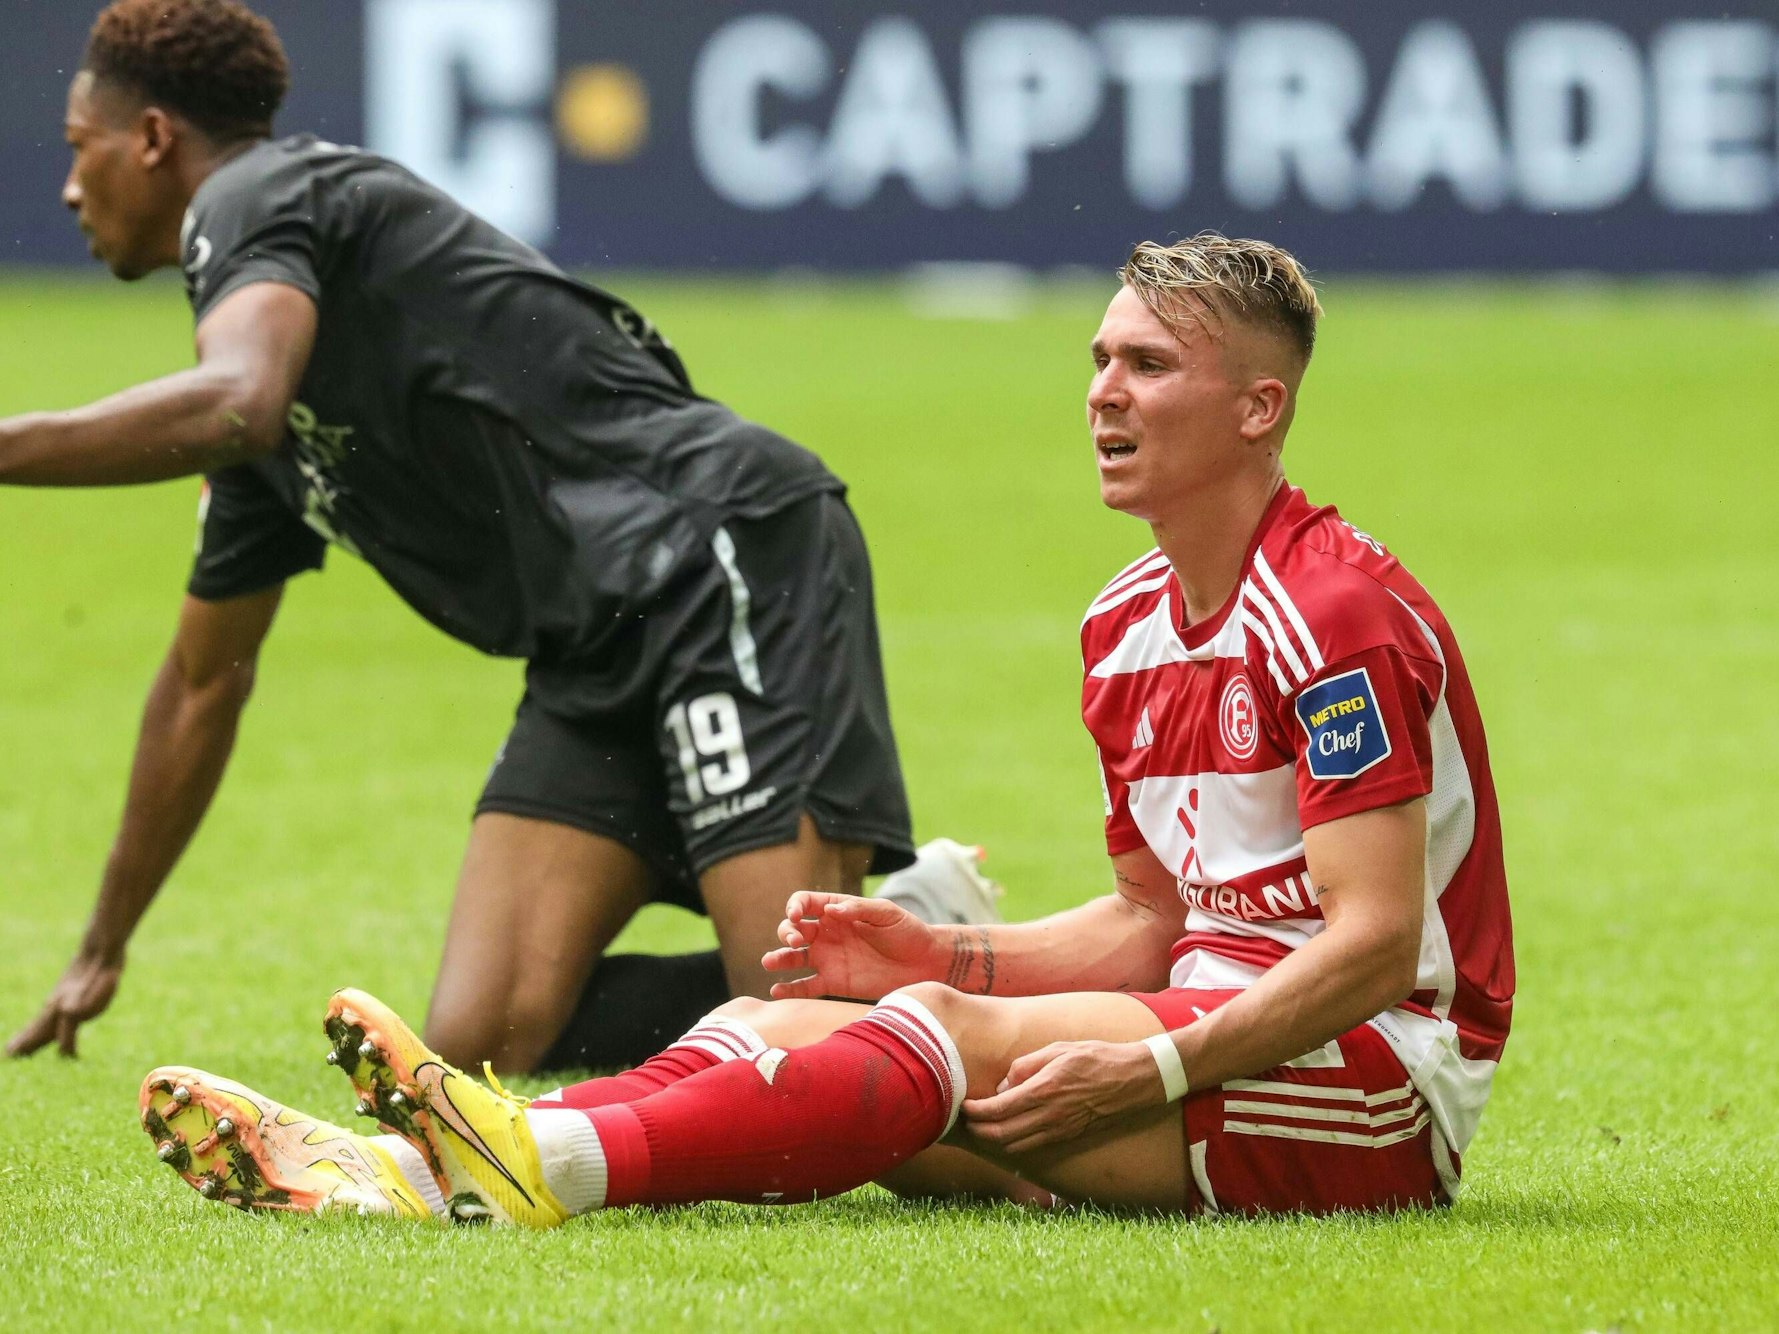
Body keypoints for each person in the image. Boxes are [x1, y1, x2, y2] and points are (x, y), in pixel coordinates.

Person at [138, 233, 1514, 1222]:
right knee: (786, 1021)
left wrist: (1134, 1059)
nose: (1100, 390)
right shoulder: (1125, 623)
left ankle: (532, 1160)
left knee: (935, 1035)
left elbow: (1372, 941)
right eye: (1097, 357)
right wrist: (945, 941)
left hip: (1373, 1079)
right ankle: (419, 1173)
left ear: (1256, 406)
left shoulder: (1331, 615)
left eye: (1147, 366)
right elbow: (1155, 918)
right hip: (1209, 1023)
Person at [2, 0, 1000, 1077]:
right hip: (591, 640)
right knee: (484, 1041)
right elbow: (202, 681)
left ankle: (974, 980)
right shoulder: (265, 432)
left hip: (714, 554)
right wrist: (102, 946)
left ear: (152, 139)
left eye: (78, 149)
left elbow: (238, 395)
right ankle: (910, 945)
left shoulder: (258, 193)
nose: (68, 186)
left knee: (788, 1023)